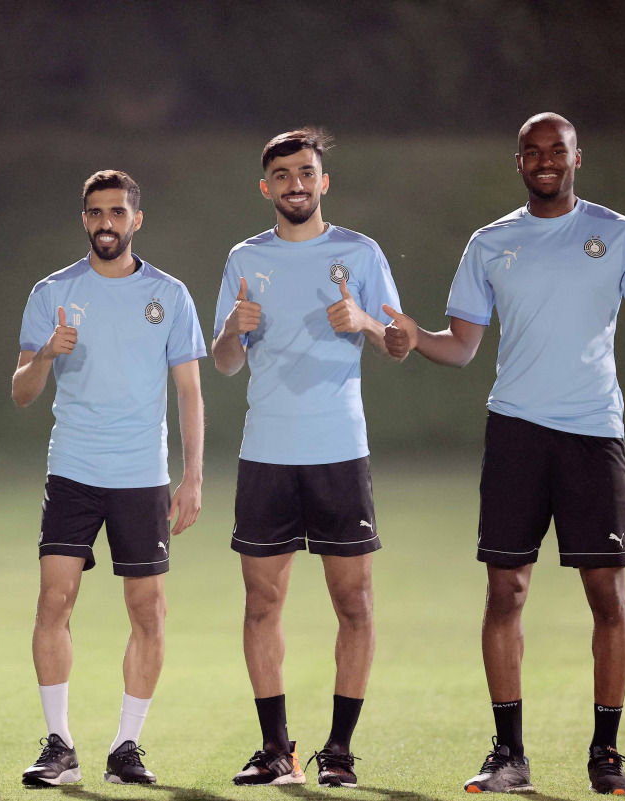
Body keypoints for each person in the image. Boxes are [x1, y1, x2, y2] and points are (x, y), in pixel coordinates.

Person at [382, 112, 625, 795]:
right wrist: (411, 337)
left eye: (557, 149)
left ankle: (607, 754)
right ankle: (508, 754)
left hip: (592, 432)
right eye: (532, 151)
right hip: (517, 431)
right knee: (506, 589)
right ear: (518, 163)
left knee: (606, 592)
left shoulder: (619, 234)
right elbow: (462, 346)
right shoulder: (491, 242)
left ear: (578, 157)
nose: (545, 159)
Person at [212, 129, 404, 788]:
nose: (295, 183)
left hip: (338, 451)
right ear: (266, 187)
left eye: (306, 172)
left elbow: (400, 341)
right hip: (266, 453)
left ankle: (340, 751)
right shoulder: (244, 258)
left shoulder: (360, 252)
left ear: (324, 182)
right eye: (282, 175)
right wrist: (235, 331)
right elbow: (225, 362)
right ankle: (275, 749)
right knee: (262, 603)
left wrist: (367, 323)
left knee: (354, 604)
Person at [11, 170, 205, 787]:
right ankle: (60, 744)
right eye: (96, 213)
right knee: (53, 601)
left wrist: (192, 475)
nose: (106, 223)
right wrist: (46, 353)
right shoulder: (52, 292)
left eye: (117, 212)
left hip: (141, 477)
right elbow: (20, 393)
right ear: (84, 220)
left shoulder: (169, 294)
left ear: (135, 220)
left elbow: (190, 392)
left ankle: (126, 747)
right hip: (72, 469)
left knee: (147, 609)